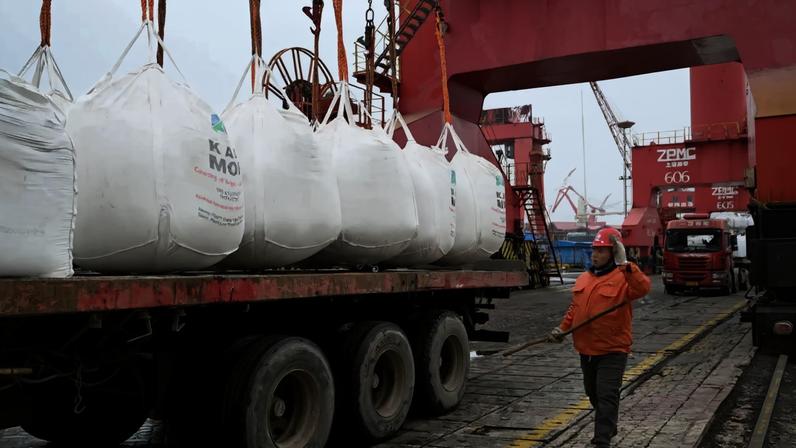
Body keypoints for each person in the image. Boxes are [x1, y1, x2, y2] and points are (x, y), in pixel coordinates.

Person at [548, 227, 651, 447]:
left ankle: (601, 439)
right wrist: (561, 329)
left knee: (606, 395)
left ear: (613, 252)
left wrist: (625, 265)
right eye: (594, 249)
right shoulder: (585, 278)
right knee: (592, 393)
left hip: (613, 350)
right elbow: (574, 310)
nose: (595, 254)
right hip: (586, 350)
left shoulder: (624, 278)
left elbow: (643, 288)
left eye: (602, 250)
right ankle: (609, 424)